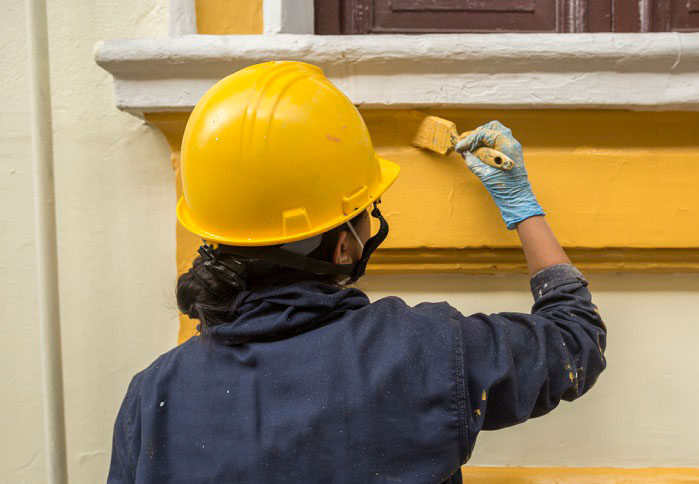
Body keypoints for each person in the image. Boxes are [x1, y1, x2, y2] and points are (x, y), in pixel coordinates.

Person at [107, 61, 607, 484]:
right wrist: (521, 205)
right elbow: (576, 342)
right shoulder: (424, 352)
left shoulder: (151, 401)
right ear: (344, 247)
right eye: (366, 209)